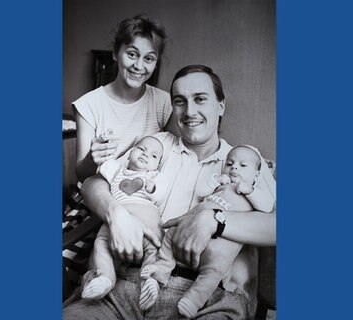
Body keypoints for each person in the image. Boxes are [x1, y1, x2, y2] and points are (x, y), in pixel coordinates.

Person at [63, 65, 276, 319]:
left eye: (200, 99)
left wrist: (214, 221)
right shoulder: (157, 145)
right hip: (126, 281)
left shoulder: (243, 161)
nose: (189, 111)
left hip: (204, 297)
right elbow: (92, 183)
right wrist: (115, 213)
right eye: (179, 101)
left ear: (221, 105)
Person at [139, 145, 275, 318]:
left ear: (256, 175)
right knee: (171, 233)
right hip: (187, 231)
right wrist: (216, 180)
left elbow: (267, 206)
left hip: (220, 244)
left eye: (243, 166)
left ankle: (193, 300)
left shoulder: (255, 192)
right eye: (230, 164)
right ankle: (159, 271)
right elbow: (202, 192)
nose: (234, 167)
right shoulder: (221, 184)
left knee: (214, 270)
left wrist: (251, 191)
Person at [74, 14, 176, 182]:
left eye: (148, 58)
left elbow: (174, 161)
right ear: (115, 53)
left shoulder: (165, 103)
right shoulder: (88, 105)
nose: (138, 66)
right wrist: (91, 159)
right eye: (132, 54)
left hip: (145, 196)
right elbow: (82, 174)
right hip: (100, 195)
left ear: (156, 63)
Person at [81, 136, 170, 302]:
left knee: (156, 248)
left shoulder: (154, 176)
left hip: (147, 221)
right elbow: (99, 167)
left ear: (157, 165)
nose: (145, 155)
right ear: (130, 153)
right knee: (100, 244)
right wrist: (102, 148)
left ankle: (150, 280)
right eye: (141, 149)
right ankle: (105, 278)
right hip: (116, 222)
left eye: (153, 156)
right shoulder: (116, 169)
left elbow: (160, 193)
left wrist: (152, 187)